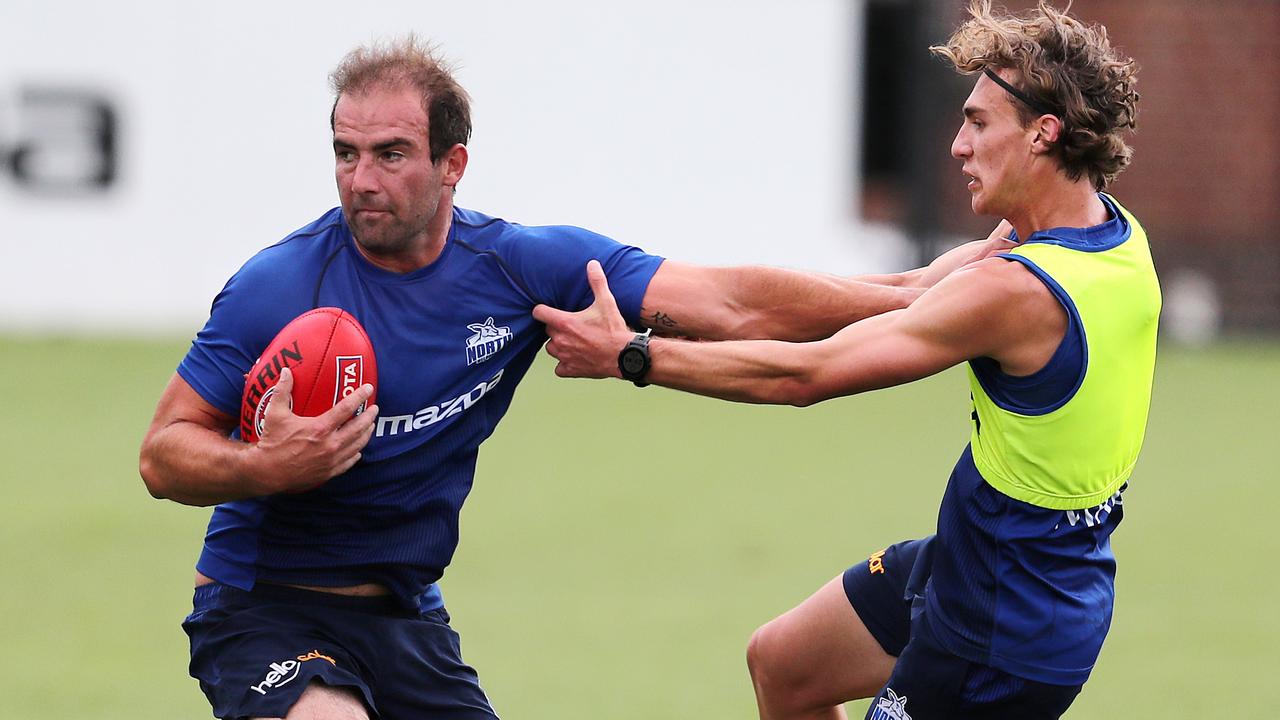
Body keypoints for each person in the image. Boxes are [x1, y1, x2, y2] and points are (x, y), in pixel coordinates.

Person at [136, 35, 1006, 720]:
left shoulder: (518, 268)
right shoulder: (279, 288)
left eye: (391, 154)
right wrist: (262, 468)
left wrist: (911, 290)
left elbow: (729, 304)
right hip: (263, 608)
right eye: (346, 152)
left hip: (403, 616)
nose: (361, 180)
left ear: (453, 164)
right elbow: (162, 453)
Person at [534, 2, 1156, 718]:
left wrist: (636, 358)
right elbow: (908, 293)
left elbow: (810, 375)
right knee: (784, 665)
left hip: (1005, 627)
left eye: (979, 122)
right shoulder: (1105, 232)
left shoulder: (1018, 291)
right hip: (981, 562)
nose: (957, 145)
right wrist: (696, 309)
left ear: (1043, 134)